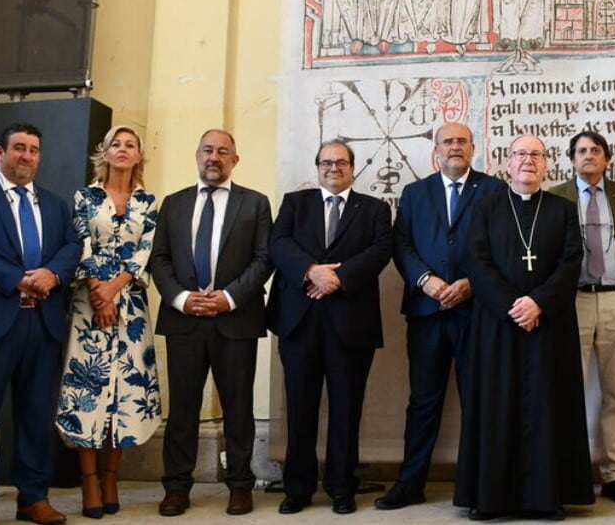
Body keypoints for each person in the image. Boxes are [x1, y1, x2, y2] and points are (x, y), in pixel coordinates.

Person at [453, 134, 594, 521]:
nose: (528, 160)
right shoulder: (486, 206)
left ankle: (548, 498)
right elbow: (476, 259)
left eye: (536, 155)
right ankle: (490, 499)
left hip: (548, 324)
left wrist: (538, 303)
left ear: (546, 165)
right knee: (496, 405)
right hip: (498, 325)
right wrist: (512, 305)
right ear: (508, 164)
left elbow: (571, 262)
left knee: (549, 406)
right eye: (520, 154)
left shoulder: (563, 209)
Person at [0, 123, 83, 525]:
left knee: (35, 415)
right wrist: (20, 279)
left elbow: (72, 246)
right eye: (19, 148)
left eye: (34, 150)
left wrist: (52, 274)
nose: (26, 156)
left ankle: (32, 497)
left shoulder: (57, 205)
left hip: (41, 325)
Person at [375, 123, 504, 510]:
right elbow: (402, 244)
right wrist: (425, 280)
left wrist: (470, 282)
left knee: (478, 400)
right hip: (427, 313)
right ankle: (411, 483)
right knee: (423, 402)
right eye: (447, 141)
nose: (455, 147)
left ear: (473, 147)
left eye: (462, 141)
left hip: (476, 312)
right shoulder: (415, 193)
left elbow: (501, 247)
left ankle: (479, 487)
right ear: (436, 150)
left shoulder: (494, 190)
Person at [148, 129, 274, 517]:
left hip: (235, 320)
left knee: (238, 409)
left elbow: (264, 258)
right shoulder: (173, 203)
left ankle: (239, 485)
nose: (213, 157)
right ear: (197, 155)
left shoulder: (254, 203)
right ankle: (177, 487)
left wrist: (228, 297)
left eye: (223, 151)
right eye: (207, 150)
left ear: (235, 160)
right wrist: (184, 299)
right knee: (182, 410)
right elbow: (159, 259)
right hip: (184, 320)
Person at [268, 139, 392, 515]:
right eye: (326, 162)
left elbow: (381, 250)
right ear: (317, 167)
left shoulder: (374, 209)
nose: (333, 168)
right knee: (300, 408)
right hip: (299, 322)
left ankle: (342, 486)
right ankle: (298, 488)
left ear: (353, 167)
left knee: (346, 409)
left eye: (341, 162)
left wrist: (339, 278)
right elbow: (277, 244)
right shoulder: (295, 202)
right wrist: (311, 271)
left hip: (351, 322)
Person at [55, 126, 161, 518]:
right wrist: (99, 291)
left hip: (130, 305)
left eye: (129, 145)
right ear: (105, 152)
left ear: (138, 156)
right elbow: (79, 242)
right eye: (116, 143)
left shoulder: (148, 202)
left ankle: (112, 476)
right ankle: (89, 482)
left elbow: (145, 252)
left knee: (123, 390)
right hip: (88, 303)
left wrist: (115, 289)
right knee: (90, 388)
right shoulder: (85, 196)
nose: (122, 149)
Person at [548, 130, 615, 505]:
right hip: (573, 301)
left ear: (606, 158)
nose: (588, 155)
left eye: (595, 150)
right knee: (569, 389)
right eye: (581, 151)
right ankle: (571, 472)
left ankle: (614, 474)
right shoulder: (555, 196)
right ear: (571, 159)